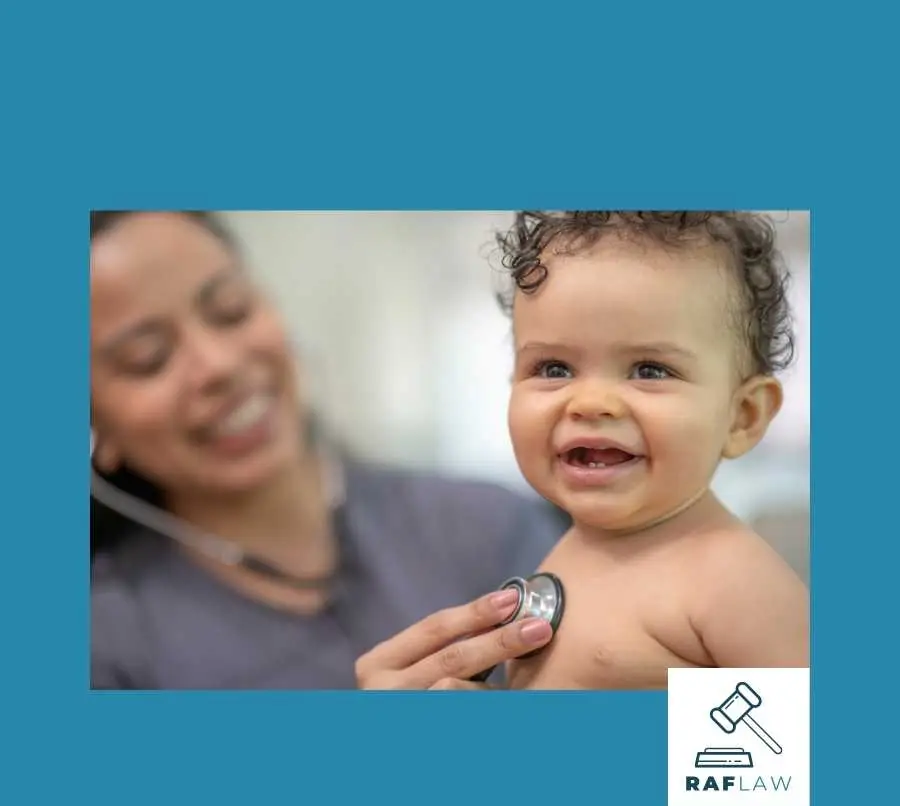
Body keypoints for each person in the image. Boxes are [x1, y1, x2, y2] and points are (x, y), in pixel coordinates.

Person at [90, 210, 566, 690]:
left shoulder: (485, 525)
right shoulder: (105, 646)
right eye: (147, 359)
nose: (217, 365)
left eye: (231, 310)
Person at [484, 211, 809, 691]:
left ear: (742, 417)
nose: (591, 402)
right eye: (553, 368)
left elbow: (795, 751)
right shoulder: (571, 550)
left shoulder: (733, 584)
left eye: (650, 370)